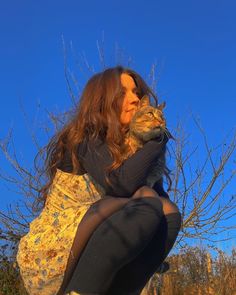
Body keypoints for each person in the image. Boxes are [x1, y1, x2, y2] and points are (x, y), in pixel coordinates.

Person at [16, 66, 181, 295]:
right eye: (124, 93)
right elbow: (121, 184)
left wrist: (153, 139)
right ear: (103, 100)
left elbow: (162, 207)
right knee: (147, 201)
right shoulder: (86, 135)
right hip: (54, 253)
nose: (134, 99)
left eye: (136, 93)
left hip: (101, 246)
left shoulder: (138, 150)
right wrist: (158, 139)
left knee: (168, 212)